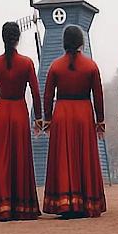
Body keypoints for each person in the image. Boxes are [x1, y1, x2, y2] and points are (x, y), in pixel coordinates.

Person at [0, 22, 44, 221]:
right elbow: (35, 93)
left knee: (0, 158)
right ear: (18, 38)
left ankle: (1, 205)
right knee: (19, 157)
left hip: (2, 111)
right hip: (20, 112)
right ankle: (21, 205)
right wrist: (38, 118)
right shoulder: (27, 62)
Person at [41, 25, 107, 219]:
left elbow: (47, 96)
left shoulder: (55, 66)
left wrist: (47, 120)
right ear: (81, 42)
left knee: (63, 158)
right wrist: (100, 121)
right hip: (84, 114)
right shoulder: (91, 66)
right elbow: (98, 96)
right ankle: (86, 202)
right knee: (83, 156)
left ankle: (65, 204)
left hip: (61, 113)